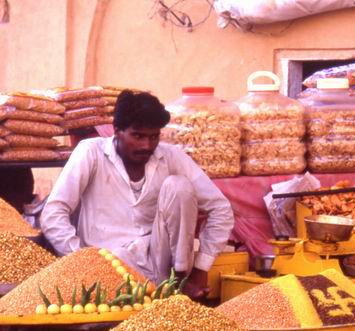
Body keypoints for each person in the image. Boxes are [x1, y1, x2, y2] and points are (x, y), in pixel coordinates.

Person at [41, 90, 234, 300]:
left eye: (153, 137)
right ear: (116, 130)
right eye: (138, 136)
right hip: (107, 269)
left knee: (179, 187)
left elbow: (220, 209)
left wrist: (200, 269)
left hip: (159, 269)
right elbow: (53, 213)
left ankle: (179, 282)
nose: (146, 146)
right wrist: (81, 260)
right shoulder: (91, 152)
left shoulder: (171, 156)